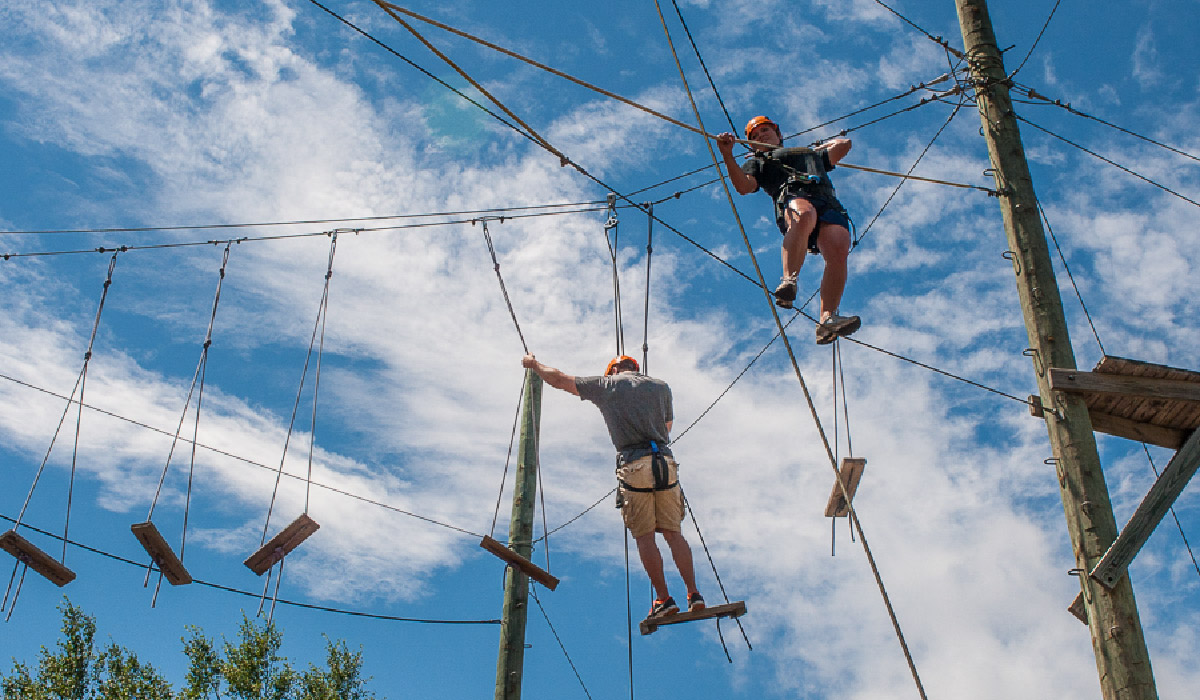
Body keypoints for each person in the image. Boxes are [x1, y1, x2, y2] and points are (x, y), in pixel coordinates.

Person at [521, 353, 703, 620]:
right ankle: (694, 593)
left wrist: (534, 365)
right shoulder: (661, 386)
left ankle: (664, 599)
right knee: (674, 533)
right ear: (636, 369)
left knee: (645, 536)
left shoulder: (607, 386)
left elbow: (559, 380)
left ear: (614, 370)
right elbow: (667, 426)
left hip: (634, 464)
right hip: (665, 464)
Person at [717, 115, 861, 345]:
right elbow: (744, 186)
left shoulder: (810, 154)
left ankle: (827, 319)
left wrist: (816, 149)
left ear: (778, 134)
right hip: (795, 195)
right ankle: (788, 280)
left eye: (765, 131)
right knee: (803, 215)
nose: (761, 136)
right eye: (755, 136)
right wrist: (727, 155)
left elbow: (844, 145)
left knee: (839, 246)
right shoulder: (759, 161)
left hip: (826, 200)